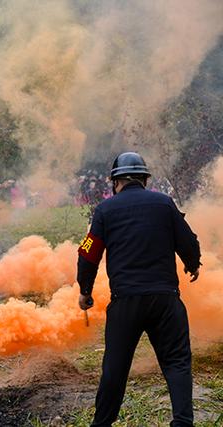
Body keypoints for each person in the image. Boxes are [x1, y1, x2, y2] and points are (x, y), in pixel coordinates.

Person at [77, 152, 201, 427]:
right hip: (166, 301)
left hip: (126, 304)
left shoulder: (104, 211)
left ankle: (101, 424)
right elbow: (188, 240)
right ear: (145, 179)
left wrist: (85, 290)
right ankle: (183, 422)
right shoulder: (164, 204)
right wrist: (193, 264)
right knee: (177, 363)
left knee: (114, 370)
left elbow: (87, 254)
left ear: (115, 182)